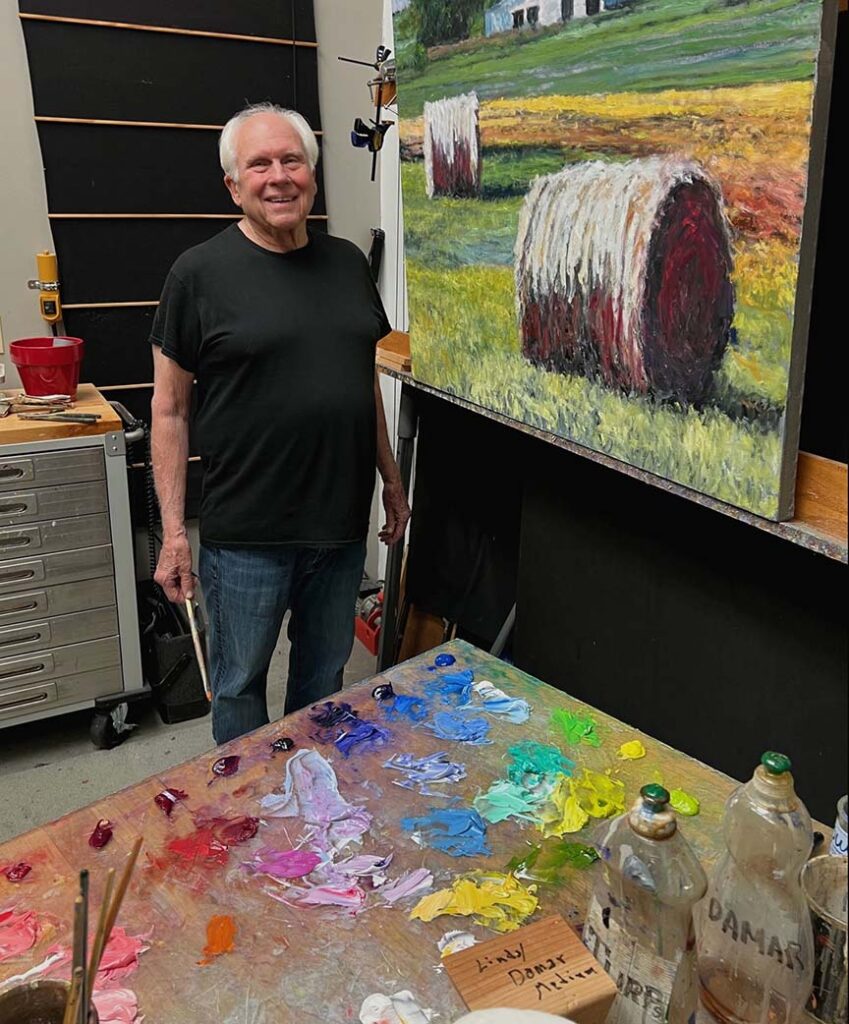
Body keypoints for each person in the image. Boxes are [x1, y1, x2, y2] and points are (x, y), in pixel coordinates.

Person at [150, 102, 410, 744]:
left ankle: (309, 789)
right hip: (247, 535)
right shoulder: (197, 275)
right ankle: (248, 798)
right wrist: (175, 533)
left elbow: (361, 385)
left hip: (338, 526)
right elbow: (170, 410)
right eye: (259, 164)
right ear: (233, 186)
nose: (278, 177)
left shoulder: (347, 263)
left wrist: (391, 479)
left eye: (292, 160)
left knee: (323, 681)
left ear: (312, 175)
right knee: (239, 685)